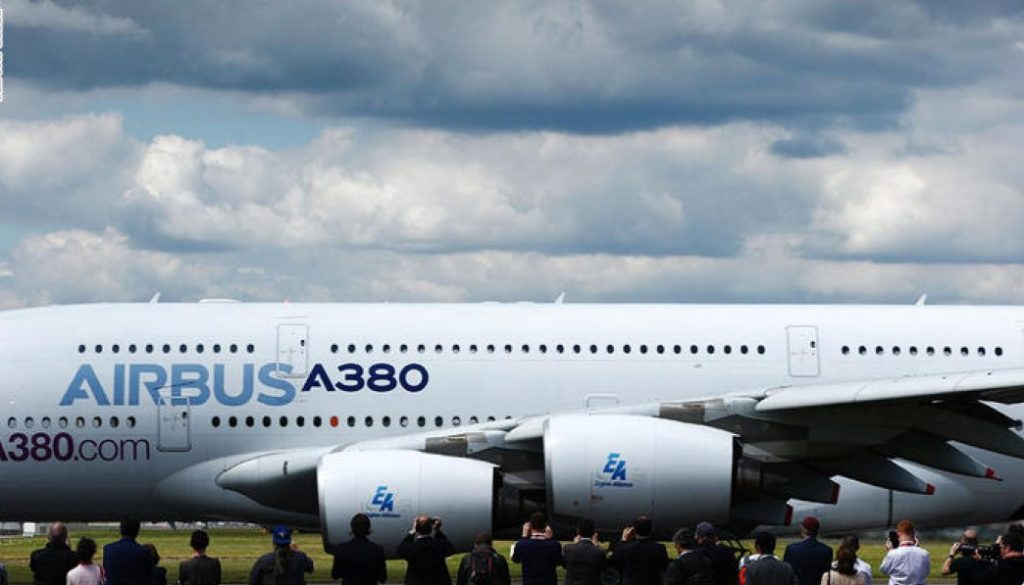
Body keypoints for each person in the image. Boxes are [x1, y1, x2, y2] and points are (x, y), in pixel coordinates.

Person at [327, 513, 387, 585]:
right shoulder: (377, 550)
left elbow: (335, 575)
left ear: (352, 528)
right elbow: (382, 578)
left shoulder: (341, 550)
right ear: (368, 528)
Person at [608, 514, 668, 585]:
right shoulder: (659, 548)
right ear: (651, 529)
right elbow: (665, 568)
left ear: (634, 530)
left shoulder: (625, 548)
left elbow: (614, 562)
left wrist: (623, 539)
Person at [397, 515, 455, 585]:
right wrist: (437, 530)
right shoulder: (439, 546)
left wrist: (412, 532)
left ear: (417, 529)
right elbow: (450, 548)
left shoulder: (411, 547)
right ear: (431, 529)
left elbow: (400, 549)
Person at [248, 525, 315, 585]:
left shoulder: (264, 560)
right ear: (289, 543)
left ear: (274, 544)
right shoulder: (300, 558)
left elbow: (253, 581)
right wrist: (295, 550)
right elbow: (310, 568)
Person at [511, 511, 563, 585]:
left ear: (530, 526)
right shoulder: (554, 545)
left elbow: (515, 559)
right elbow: (559, 562)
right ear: (546, 526)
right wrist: (551, 538)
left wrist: (523, 536)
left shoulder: (522, 544)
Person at [879, 519, 930, 585]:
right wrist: (918, 549)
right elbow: (926, 572)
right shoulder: (924, 554)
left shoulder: (893, 554)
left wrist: (889, 552)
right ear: (914, 534)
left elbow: (884, 570)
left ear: (898, 534)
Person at [784, 517, 833, 585]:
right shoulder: (827, 551)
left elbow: (787, 574)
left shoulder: (791, 549)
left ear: (803, 529)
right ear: (817, 531)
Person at [561, 519, 605, 585]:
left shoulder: (568, 548)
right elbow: (603, 568)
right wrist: (596, 546)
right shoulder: (599, 551)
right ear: (593, 533)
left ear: (578, 531)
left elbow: (565, 565)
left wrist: (574, 545)